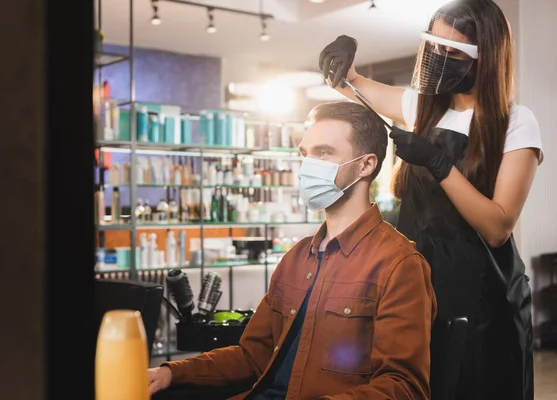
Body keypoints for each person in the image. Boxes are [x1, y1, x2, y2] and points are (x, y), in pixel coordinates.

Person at [319, 1, 541, 399]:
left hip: (484, 297)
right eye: (435, 47)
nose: (441, 59)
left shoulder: (515, 122)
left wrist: (439, 164)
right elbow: (346, 81)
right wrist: (344, 48)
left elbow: (497, 227)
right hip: (417, 285)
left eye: (454, 53)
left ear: (486, 57)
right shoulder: (420, 107)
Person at [148, 101, 437, 400]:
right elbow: (251, 357)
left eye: (323, 153)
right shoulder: (297, 258)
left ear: (366, 165)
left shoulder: (399, 264)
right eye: (305, 154)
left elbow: (404, 388)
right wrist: (171, 373)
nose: (308, 166)